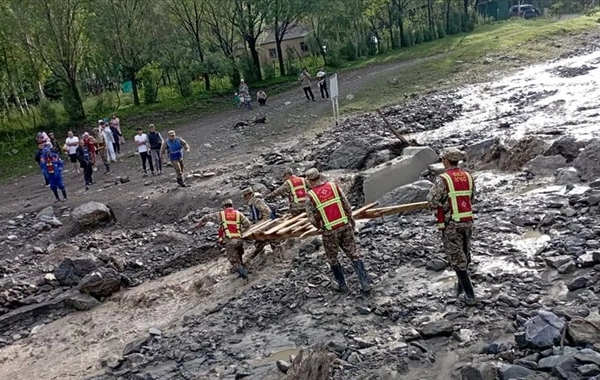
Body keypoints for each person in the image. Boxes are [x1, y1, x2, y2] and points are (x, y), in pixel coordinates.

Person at [304, 168, 371, 293]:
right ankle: (365, 283)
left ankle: (342, 285)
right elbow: (346, 204)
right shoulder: (334, 187)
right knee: (354, 254)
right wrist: (350, 220)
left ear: (310, 181)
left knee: (333, 258)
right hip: (344, 225)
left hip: (329, 231)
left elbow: (311, 218)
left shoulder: (310, 196)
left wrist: (319, 227)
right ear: (320, 176)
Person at [427, 147, 477, 306]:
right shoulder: (468, 176)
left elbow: (432, 201)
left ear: (446, 161)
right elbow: (472, 198)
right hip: (467, 221)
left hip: (451, 224)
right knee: (464, 252)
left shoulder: (444, 179)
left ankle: (470, 295)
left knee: (456, 257)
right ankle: (460, 289)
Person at [195, 199, 252, 279]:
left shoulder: (221, 214)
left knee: (233, 260)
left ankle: (244, 276)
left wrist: (200, 223)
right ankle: (243, 270)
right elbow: (248, 224)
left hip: (230, 241)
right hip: (239, 240)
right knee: (239, 255)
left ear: (224, 207)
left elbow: (206, 217)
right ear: (232, 205)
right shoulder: (238, 214)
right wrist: (240, 231)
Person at [242, 187, 283, 261]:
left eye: (245, 196)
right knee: (260, 243)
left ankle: (280, 259)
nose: (245, 199)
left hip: (267, 224)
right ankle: (260, 259)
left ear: (248, 195)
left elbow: (267, 211)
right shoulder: (253, 201)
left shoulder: (257, 201)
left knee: (273, 241)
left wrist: (265, 222)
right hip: (262, 224)